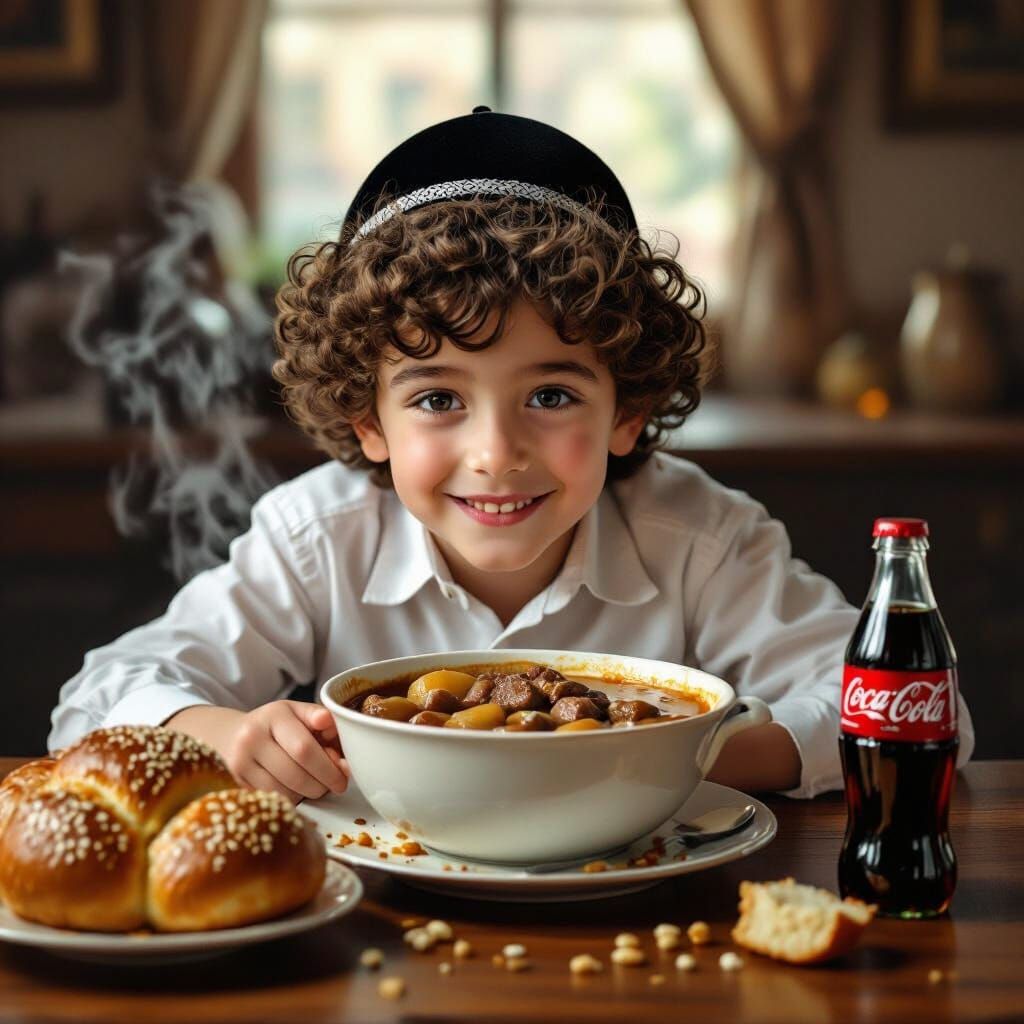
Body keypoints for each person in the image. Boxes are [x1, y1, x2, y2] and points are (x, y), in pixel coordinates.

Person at [50, 108, 974, 803]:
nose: (495, 453)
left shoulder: (697, 536)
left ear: (629, 406)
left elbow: (919, 711)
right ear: (367, 419)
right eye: (439, 399)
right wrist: (219, 730)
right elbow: (97, 698)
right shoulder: (317, 537)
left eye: (552, 395)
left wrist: (679, 752)